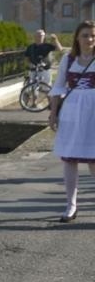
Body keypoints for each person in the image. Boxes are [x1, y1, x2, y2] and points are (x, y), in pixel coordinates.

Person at [48, 20, 95, 222]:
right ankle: (71, 205)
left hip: (93, 111)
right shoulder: (69, 60)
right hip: (72, 110)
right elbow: (58, 87)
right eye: (85, 35)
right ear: (77, 37)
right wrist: (53, 113)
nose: (89, 39)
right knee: (70, 158)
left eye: (93, 35)